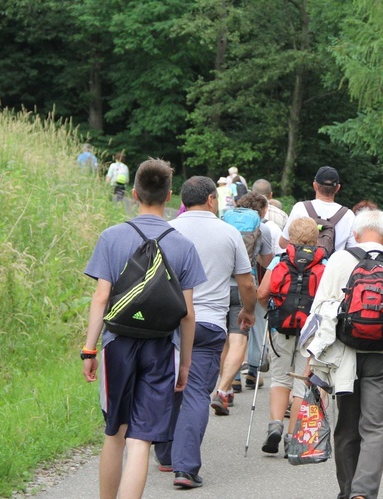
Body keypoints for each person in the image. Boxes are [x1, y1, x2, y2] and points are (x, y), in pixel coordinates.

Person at [81, 159, 206, 499]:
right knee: (141, 438)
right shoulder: (183, 245)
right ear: (169, 196)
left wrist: (89, 349)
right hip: (162, 346)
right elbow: (188, 315)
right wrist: (185, 364)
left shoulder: (111, 237)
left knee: (114, 433)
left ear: (134, 193)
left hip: (118, 344)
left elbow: (101, 297)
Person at [306, 209, 383, 499]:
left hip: (344, 355)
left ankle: (348, 492)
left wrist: (312, 358)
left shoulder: (340, 259)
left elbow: (318, 310)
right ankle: (363, 493)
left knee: (347, 427)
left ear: (356, 234)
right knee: (376, 428)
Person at [153, 176, 257, 488]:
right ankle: (185, 469)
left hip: (167, 322)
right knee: (197, 393)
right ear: (212, 199)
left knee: (167, 386)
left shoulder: (167, 230)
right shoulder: (228, 233)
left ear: (182, 200)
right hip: (208, 323)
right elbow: (247, 283)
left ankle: (166, 455)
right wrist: (248, 311)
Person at [256, 217, 321, 455]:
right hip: (311, 332)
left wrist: (273, 313)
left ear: (290, 238)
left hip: (281, 327)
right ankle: (293, 437)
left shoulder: (279, 260)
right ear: (316, 239)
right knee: (301, 382)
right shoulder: (324, 261)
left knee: (279, 378)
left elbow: (262, 293)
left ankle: (275, 425)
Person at [212, 192, 274, 415]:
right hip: (244, 287)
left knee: (224, 340)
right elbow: (268, 262)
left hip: (219, 287)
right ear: (262, 210)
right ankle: (222, 390)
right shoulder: (262, 228)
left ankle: (228, 387)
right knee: (239, 339)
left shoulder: (223, 222)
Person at [279, 166, 356, 252]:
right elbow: (353, 249)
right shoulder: (348, 215)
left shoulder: (300, 208)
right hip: (333, 264)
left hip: (303, 263)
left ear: (315, 185)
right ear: (338, 188)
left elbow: (283, 243)